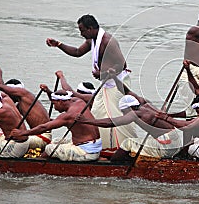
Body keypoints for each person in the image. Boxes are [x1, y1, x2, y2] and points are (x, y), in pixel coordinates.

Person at [46, 14, 137, 149]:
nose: (81, 34)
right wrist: (58, 44)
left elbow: (122, 65)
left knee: (118, 117)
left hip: (117, 84)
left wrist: (102, 73)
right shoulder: (91, 39)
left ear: (90, 28)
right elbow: (77, 52)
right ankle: (105, 147)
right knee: (97, 114)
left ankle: (126, 148)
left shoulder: (107, 41)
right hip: (106, 84)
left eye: (82, 30)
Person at [76, 94, 182, 161]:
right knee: (137, 144)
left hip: (166, 145)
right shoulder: (146, 105)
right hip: (175, 141)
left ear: (128, 108)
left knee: (128, 143)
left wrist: (87, 121)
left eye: (124, 112)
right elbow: (129, 91)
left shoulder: (135, 113)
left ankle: (113, 164)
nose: (125, 114)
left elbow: (111, 122)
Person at [11, 89, 101, 162]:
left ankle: (38, 166)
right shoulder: (79, 102)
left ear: (61, 102)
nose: (54, 107)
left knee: (49, 148)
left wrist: (23, 133)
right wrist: (48, 91)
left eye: (54, 104)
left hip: (87, 152)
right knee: (56, 141)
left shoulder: (68, 116)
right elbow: (65, 92)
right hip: (94, 147)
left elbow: (44, 127)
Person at [0, 66, 51, 150]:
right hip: (35, 135)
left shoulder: (23, 93)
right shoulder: (20, 104)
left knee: (6, 140)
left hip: (42, 138)